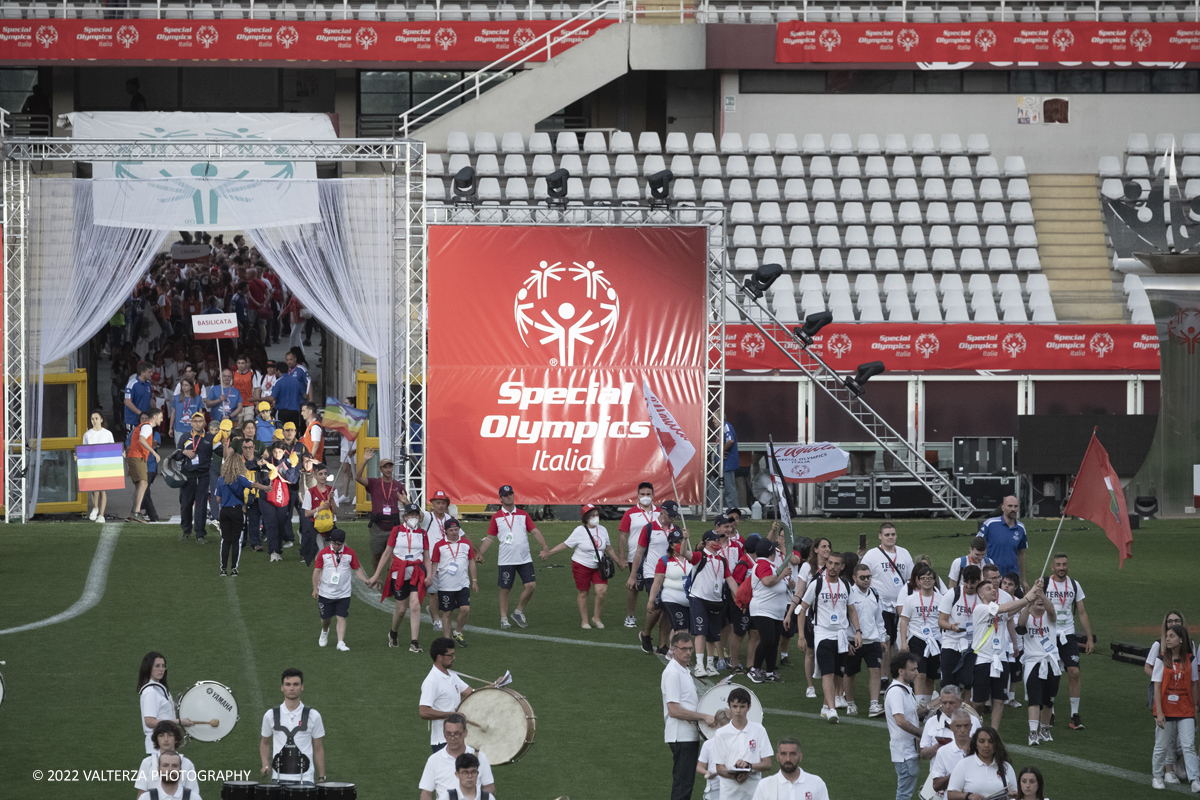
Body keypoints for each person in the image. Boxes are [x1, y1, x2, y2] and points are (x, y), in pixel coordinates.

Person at [794, 551, 860, 719]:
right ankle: (832, 710)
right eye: (830, 563)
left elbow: (851, 609)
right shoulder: (817, 584)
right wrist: (801, 636)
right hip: (823, 634)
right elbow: (802, 610)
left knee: (839, 674)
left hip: (842, 635)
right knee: (828, 672)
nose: (832, 567)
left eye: (836, 564)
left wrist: (858, 631)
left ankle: (825, 706)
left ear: (842, 567)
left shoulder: (845, 585)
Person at [477, 485, 550, 629]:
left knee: (531, 586)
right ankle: (504, 618)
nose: (509, 497)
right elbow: (490, 538)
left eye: (511, 494)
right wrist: (479, 553)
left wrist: (545, 547)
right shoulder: (496, 517)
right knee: (505, 589)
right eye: (505, 495)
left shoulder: (523, 514)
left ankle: (518, 611)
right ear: (500, 498)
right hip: (506, 559)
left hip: (524, 558)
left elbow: (535, 531)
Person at [970, 576, 1039, 729]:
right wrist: (1027, 597)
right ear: (981, 595)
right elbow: (1007, 608)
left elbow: (1013, 609)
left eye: (994, 588)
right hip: (983, 660)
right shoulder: (980, 608)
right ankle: (977, 723)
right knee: (979, 702)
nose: (993, 590)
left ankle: (994, 732)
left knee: (999, 699)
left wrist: (1034, 588)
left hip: (1001, 659)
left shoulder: (998, 608)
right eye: (988, 589)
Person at [546, 504, 619, 630]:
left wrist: (618, 561)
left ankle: (596, 618)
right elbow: (565, 545)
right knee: (583, 592)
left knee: (602, 592)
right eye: (592, 516)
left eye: (596, 515)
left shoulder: (603, 530)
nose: (596, 517)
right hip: (581, 565)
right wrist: (550, 552)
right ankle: (584, 621)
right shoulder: (579, 531)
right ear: (586, 518)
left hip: (598, 566)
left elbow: (608, 548)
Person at [369, 503, 431, 652]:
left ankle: (414, 642)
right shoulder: (396, 531)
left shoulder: (423, 533)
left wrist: (430, 575)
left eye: (416, 515)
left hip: (416, 572)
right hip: (399, 572)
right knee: (401, 609)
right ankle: (393, 632)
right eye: (411, 515)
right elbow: (386, 554)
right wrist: (376, 575)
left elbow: (427, 557)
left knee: (415, 605)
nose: (414, 517)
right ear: (405, 516)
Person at [662, 630, 716, 800]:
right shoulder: (672, 673)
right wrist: (704, 717)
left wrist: (717, 692)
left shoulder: (683, 669)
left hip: (688, 736)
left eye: (690, 649)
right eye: (683, 649)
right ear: (673, 649)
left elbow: (689, 701)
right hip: (681, 736)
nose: (687, 653)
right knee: (683, 784)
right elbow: (674, 710)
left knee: (686, 783)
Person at [419, 638, 497, 753]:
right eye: (450, 655)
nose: (454, 658)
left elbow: (472, 694)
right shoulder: (432, 681)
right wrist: (452, 715)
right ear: (440, 657)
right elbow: (424, 711)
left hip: (458, 739)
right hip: (443, 742)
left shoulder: (452, 676)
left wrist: (494, 686)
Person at [1044, 553, 1094, 731]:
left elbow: (1081, 612)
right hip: (1049, 635)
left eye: (1064, 564)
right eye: (1058, 564)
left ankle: (1074, 715)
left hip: (1069, 635)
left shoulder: (1074, 585)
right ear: (1052, 567)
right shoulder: (1043, 584)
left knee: (1074, 672)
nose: (1061, 567)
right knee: (1052, 674)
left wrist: (1089, 637)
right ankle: (1050, 713)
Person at [1151, 623, 1200, 790]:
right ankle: (1157, 776)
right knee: (1161, 745)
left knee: (1188, 745)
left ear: (1180, 639)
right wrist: (1159, 712)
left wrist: (1194, 708)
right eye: (1167, 636)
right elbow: (1157, 686)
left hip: (1185, 709)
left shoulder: (1191, 659)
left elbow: (1194, 684)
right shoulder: (1161, 659)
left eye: (1171, 636)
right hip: (1166, 709)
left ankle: (1195, 779)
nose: (1167, 639)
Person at [259, 668, 325, 785]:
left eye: (296, 684)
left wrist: (321, 777)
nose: (292, 688)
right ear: (282, 687)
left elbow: (318, 748)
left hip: (305, 780)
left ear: (302, 687)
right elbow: (264, 742)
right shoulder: (270, 715)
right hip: (278, 779)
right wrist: (265, 764)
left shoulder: (313, 715)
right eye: (288, 684)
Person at [633, 500, 683, 652]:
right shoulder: (649, 528)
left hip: (671, 572)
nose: (672, 519)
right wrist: (633, 575)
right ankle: (646, 633)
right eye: (670, 515)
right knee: (656, 605)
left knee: (668, 607)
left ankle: (662, 645)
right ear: (662, 512)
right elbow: (639, 552)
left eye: (675, 516)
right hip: (652, 572)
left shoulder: (677, 530)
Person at [689, 530, 741, 677]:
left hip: (716, 601)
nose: (718, 543)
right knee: (700, 632)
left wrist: (739, 598)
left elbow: (730, 579)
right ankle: (699, 666)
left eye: (719, 540)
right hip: (698, 598)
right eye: (715, 540)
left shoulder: (722, 560)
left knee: (713, 635)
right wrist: (686, 539)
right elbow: (687, 555)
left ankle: (710, 665)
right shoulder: (700, 556)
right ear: (707, 542)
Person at [1016, 582, 1061, 746]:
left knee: (1048, 700)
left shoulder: (1049, 617)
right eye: (1037, 600)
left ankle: (1045, 729)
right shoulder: (1026, 616)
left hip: (1051, 662)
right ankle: (1033, 733)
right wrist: (1028, 601)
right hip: (1033, 662)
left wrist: (1041, 594)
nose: (1040, 602)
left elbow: (1051, 610)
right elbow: (1020, 624)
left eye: (1042, 600)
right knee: (1034, 698)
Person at [215, 449, 270, 577]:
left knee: (225, 540)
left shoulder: (220, 479)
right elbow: (254, 484)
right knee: (236, 541)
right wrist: (265, 488)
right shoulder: (240, 479)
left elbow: (218, 498)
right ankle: (234, 568)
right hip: (237, 510)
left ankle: (223, 568)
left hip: (224, 511)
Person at [313, 528, 370, 651]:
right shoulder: (323, 553)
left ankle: (340, 642)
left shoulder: (350, 553)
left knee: (341, 616)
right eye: (334, 543)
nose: (336, 546)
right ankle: (324, 631)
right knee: (325, 619)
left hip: (343, 593)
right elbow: (317, 571)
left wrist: (365, 580)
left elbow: (357, 569)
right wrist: (315, 589)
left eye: (339, 544)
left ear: (343, 543)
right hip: (326, 592)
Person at [860, 522, 914, 648]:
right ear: (880, 536)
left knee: (898, 641)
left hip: (901, 606)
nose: (890, 537)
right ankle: (884, 668)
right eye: (887, 534)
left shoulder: (904, 553)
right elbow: (862, 576)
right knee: (884, 642)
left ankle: (894, 667)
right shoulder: (872, 554)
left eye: (893, 534)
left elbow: (911, 579)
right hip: (881, 605)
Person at [418, 714, 496, 800]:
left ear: (465, 733)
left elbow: (489, 786)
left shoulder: (480, 757)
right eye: (448, 734)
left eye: (457, 734)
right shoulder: (434, 760)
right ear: (444, 734)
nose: (452, 738)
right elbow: (426, 792)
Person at [713, 687, 773, 799]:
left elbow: (767, 764)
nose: (738, 711)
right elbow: (720, 768)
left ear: (749, 707)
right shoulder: (721, 733)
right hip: (729, 794)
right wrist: (736, 776)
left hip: (754, 793)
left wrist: (749, 767)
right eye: (735, 706)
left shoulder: (759, 730)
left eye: (742, 707)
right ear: (729, 706)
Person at [746, 539, 791, 684]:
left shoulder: (771, 566)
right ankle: (754, 669)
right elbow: (767, 581)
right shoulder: (762, 564)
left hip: (775, 611)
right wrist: (782, 575)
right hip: (763, 609)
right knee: (768, 640)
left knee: (774, 642)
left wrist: (788, 584)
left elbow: (776, 584)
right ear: (771, 552)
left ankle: (771, 671)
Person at [899, 562, 944, 709]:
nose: (926, 580)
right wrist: (904, 641)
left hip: (936, 640)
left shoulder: (941, 599)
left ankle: (927, 707)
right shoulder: (911, 599)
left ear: (934, 580)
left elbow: (945, 619)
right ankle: (918, 705)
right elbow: (904, 620)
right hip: (917, 639)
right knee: (920, 674)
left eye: (929, 578)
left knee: (931, 677)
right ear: (918, 580)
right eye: (923, 578)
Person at [428, 518, 478, 644]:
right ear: (445, 531)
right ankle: (446, 639)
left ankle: (457, 632)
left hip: (462, 584)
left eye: (456, 530)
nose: (454, 532)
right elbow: (434, 563)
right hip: (445, 585)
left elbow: (471, 562)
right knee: (447, 612)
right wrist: (431, 577)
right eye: (451, 530)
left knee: (465, 609)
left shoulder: (466, 543)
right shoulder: (439, 545)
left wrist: (474, 580)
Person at [846, 562, 887, 718]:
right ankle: (850, 703)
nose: (866, 580)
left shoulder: (875, 594)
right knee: (850, 674)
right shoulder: (849, 594)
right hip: (853, 640)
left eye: (869, 577)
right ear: (854, 578)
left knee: (875, 671)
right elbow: (844, 619)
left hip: (873, 640)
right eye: (862, 577)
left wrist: (882, 639)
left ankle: (874, 705)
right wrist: (845, 642)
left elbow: (879, 619)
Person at [792, 537, 831, 699]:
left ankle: (830, 684)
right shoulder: (807, 567)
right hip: (809, 616)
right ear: (815, 549)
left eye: (829, 546)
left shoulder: (833, 566)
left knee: (829, 651)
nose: (827, 549)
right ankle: (810, 686)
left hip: (827, 615)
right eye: (823, 546)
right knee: (810, 651)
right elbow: (799, 592)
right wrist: (790, 613)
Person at [618, 481, 661, 628]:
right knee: (634, 585)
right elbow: (623, 536)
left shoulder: (661, 513)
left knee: (658, 584)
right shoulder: (630, 513)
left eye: (648, 494)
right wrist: (621, 557)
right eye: (642, 494)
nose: (645, 497)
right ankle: (630, 616)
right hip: (636, 555)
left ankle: (657, 613)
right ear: (637, 496)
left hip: (656, 555)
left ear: (653, 495)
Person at [356, 448, 406, 572]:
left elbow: (406, 505)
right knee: (377, 555)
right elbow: (357, 477)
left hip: (394, 525)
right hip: (377, 526)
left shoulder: (398, 486)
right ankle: (377, 578)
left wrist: (406, 502)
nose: (388, 470)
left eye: (390, 467)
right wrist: (365, 460)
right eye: (385, 467)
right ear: (380, 470)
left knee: (393, 555)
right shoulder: (374, 483)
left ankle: (392, 581)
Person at [138, 652, 194, 754]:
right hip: (158, 746)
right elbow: (150, 722)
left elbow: (162, 711)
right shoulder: (150, 692)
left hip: (165, 744)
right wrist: (180, 722)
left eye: (163, 666)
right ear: (148, 667)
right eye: (157, 666)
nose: (161, 669)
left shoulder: (158, 689)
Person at [938, 564, 982, 694]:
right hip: (951, 642)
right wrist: (952, 627)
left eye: (972, 583)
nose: (969, 586)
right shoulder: (953, 594)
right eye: (966, 582)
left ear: (979, 581)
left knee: (970, 682)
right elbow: (941, 621)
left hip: (974, 644)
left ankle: (967, 713)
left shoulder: (982, 596)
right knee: (948, 683)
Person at [885, 651, 922, 800]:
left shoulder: (905, 689)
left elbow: (913, 713)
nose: (917, 673)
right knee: (904, 795)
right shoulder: (896, 693)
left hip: (908, 751)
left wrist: (938, 702)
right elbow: (900, 720)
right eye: (913, 669)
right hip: (904, 753)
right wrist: (921, 733)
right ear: (901, 671)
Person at [645, 529, 694, 638]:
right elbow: (657, 582)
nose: (680, 544)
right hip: (672, 598)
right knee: (681, 629)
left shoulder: (691, 558)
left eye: (682, 540)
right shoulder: (665, 560)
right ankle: (676, 653)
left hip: (690, 599)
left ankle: (672, 651)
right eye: (677, 542)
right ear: (671, 545)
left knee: (681, 629)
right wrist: (651, 601)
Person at [945, 727, 1017, 800]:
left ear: (996, 744)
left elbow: (1014, 794)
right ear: (976, 744)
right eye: (982, 741)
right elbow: (951, 794)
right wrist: (968, 796)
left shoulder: (1006, 766)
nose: (986, 745)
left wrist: (1012, 795)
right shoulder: (964, 764)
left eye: (990, 741)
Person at [134, 721, 199, 798]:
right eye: (161, 735)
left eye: (170, 735)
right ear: (157, 739)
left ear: (176, 739)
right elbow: (142, 792)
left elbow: (193, 794)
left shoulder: (187, 764)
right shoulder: (147, 763)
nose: (165, 739)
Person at [261, 436, 300, 561]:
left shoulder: (289, 463)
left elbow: (293, 480)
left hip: (283, 498)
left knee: (281, 524)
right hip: (266, 498)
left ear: (284, 452)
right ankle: (273, 551)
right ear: (272, 452)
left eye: (280, 451)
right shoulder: (266, 462)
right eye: (275, 451)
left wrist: (292, 468)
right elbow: (262, 480)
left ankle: (277, 549)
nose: (277, 454)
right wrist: (268, 475)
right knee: (272, 524)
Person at [751, 738, 829, 800]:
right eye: (783, 754)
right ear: (778, 757)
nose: (788, 759)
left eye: (793, 754)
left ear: (800, 757)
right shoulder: (765, 785)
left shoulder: (816, 783)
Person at [977, 496, 1028, 589]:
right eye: (1010, 506)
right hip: (992, 577)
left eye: (1016, 506)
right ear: (1003, 507)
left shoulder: (1021, 528)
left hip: (1011, 579)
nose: (1013, 509)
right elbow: (977, 546)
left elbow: (1021, 554)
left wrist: (1023, 580)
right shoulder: (990, 524)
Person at [423, 489, 455, 629]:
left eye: (443, 503)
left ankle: (432, 610)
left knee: (447, 590)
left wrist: (475, 552)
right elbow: (417, 513)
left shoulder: (450, 520)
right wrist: (405, 501)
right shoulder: (427, 517)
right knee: (434, 592)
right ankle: (436, 619)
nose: (441, 505)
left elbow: (461, 536)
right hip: (432, 562)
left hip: (448, 561)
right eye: (438, 502)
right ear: (433, 504)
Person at [178, 411, 213, 543]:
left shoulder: (209, 438)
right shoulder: (185, 437)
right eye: (195, 421)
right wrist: (183, 451)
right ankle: (186, 531)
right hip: (188, 475)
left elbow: (220, 451)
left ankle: (200, 534)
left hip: (203, 475)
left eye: (200, 421)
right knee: (185, 504)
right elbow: (177, 454)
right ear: (191, 423)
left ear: (204, 423)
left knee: (201, 506)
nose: (198, 424)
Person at [921, 685, 980, 759]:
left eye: (951, 703)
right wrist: (934, 749)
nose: (947, 706)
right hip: (939, 769)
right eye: (944, 703)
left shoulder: (973, 721)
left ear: (960, 702)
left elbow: (981, 749)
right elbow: (923, 754)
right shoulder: (931, 722)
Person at [928, 709, 975, 800]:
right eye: (958, 726)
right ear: (951, 727)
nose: (962, 730)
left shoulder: (980, 749)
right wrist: (956, 775)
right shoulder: (943, 752)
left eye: (966, 726)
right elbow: (936, 785)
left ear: (971, 726)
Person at [127, 409, 162, 523]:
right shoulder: (147, 427)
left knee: (139, 486)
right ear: (155, 417)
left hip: (134, 456)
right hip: (138, 457)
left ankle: (133, 513)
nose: (162, 419)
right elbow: (142, 439)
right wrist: (154, 451)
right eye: (160, 417)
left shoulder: (144, 426)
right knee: (144, 483)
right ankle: (137, 512)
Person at [81, 409, 114, 522]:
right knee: (94, 488)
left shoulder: (108, 434)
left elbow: (112, 449)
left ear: (101, 419)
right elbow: (84, 450)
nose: (94, 421)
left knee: (102, 489)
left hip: (103, 465)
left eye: (96, 418)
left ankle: (101, 514)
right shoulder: (87, 435)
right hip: (91, 465)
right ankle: (95, 507)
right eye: (92, 419)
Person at [300, 461, 335, 565]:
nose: (323, 476)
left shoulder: (332, 490)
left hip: (330, 528)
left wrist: (332, 500)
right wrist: (319, 508)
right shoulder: (310, 492)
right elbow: (306, 513)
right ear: (314, 476)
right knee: (320, 556)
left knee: (330, 557)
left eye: (325, 473)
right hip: (316, 529)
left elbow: (336, 512)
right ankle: (319, 580)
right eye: (320, 474)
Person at [170, 377, 204, 445]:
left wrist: (201, 426)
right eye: (183, 385)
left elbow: (201, 414)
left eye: (186, 385)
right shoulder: (177, 398)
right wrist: (170, 428)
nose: (184, 387)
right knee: (180, 450)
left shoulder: (198, 399)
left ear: (191, 386)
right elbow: (173, 413)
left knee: (193, 450)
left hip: (193, 429)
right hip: (179, 429)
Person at [124, 360, 155, 435]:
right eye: (149, 372)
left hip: (145, 420)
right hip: (133, 420)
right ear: (143, 373)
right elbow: (127, 402)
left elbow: (150, 399)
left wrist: (155, 412)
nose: (152, 374)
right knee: (132, 444)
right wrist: (141, 413)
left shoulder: (148, 384)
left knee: (145, 443)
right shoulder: (132, 384)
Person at [230, 355, 262, 423]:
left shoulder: (252, 375)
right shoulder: (233, 374)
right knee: (237, 427)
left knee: (248, 424)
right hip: (236, 405)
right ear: (236, 364)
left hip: (249, 405)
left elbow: (256, 389)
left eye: (242, 363)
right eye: (239, 363)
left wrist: (257, 403)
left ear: (246, 364)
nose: (241, 365)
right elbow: (229, 389)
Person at [722, 418, 739, 511]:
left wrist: (722, 451)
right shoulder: (722, 427)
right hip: (722, 464)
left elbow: (730, 440)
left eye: (714, 418)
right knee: (713, 484)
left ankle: (732, 509)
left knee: (729, 487)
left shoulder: (726, 426)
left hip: (727, 463)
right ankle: (714, 508)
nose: (713, 421)